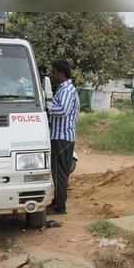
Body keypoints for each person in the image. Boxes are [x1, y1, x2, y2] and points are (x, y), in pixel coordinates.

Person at [47, 60, 80, 215]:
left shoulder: (66, 91)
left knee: (60, 173)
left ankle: (60, 207)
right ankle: (58, 202)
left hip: (62, 137)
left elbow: (63, 111)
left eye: (54, 72)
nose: (52, 75)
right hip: (60, 136)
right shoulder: (64, 89)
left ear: (61, 73)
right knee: (58, 172)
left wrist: (49, 108)